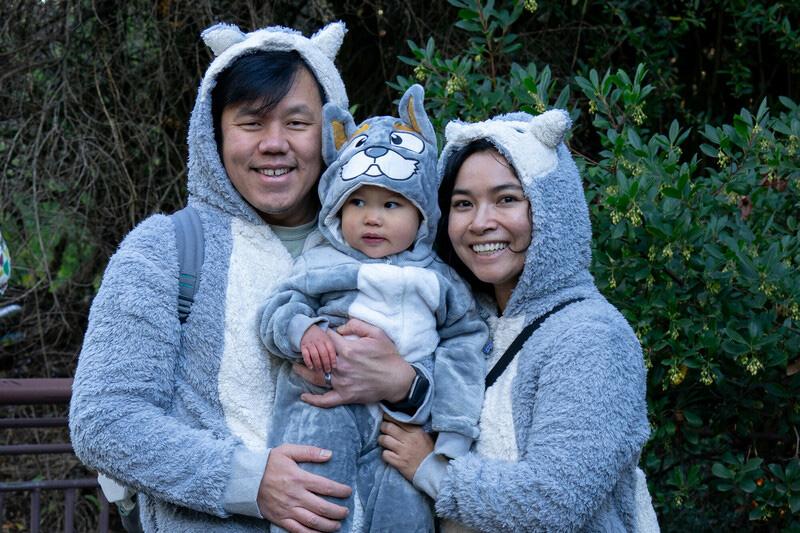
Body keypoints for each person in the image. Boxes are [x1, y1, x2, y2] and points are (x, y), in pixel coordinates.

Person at [69, 22, 418, 532]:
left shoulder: (388, 242)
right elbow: (104, 419)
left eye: (297, 123)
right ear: (214, 133)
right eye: (251, 123)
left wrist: (407, 386)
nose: (274, 144)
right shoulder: (166, 250)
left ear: (331, 130)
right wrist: (247, 481)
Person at [379, 110, 660, 532]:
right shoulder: (465, 322)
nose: (480, 222)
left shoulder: (591, 336)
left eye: (507, 199)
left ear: (552, 208)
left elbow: (557, 499)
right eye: (462, 203)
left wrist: (431, 469)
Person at [260, 85, 487, 532]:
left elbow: (466, 345)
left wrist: (454, 427)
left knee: (403, 511)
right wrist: (303, 331)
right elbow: (277, 309)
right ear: (336, 209)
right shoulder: (321, 261)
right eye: (357, 201)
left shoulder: (440, 280)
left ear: (423, 214)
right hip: (321, 408)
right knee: (315, 504)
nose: (372, 217)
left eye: (391, 204)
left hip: (400, 429)